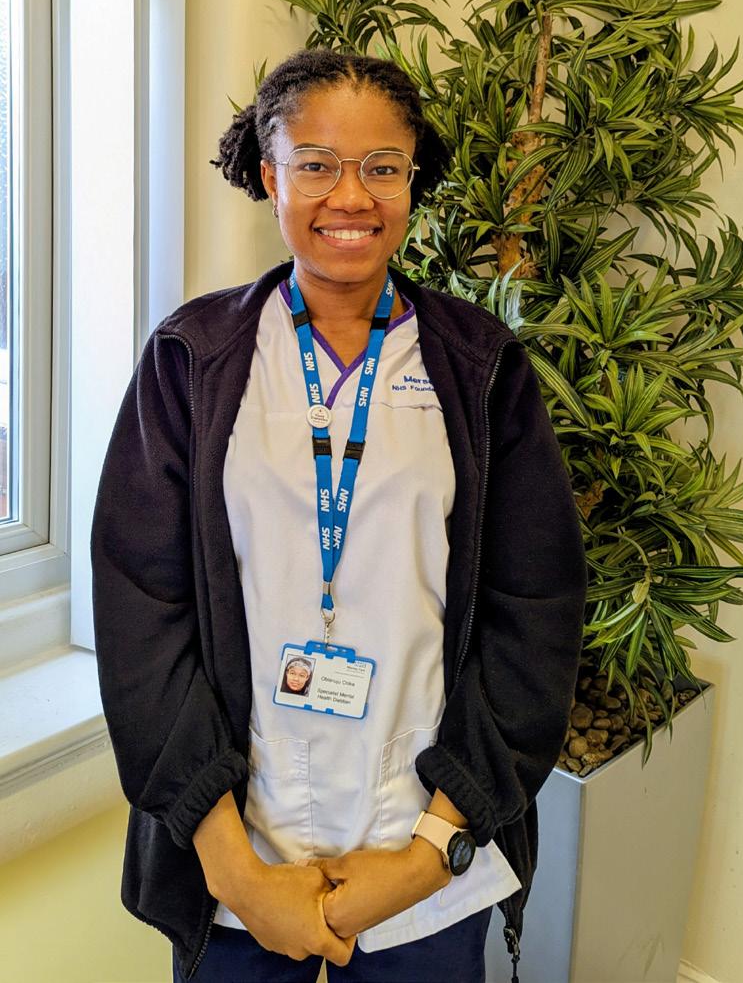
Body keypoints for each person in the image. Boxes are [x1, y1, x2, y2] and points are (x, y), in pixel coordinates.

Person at [91, 49, 588, 983]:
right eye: (315, 164)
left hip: (423, 856)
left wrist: (427, 853)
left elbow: (537, 612)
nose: (349, 196)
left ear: (413, 182)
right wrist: (235, 870)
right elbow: (139, 613)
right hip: (240, 859)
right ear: (269, 174)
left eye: (381, 167)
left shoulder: (481, 369)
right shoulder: (192, 361)